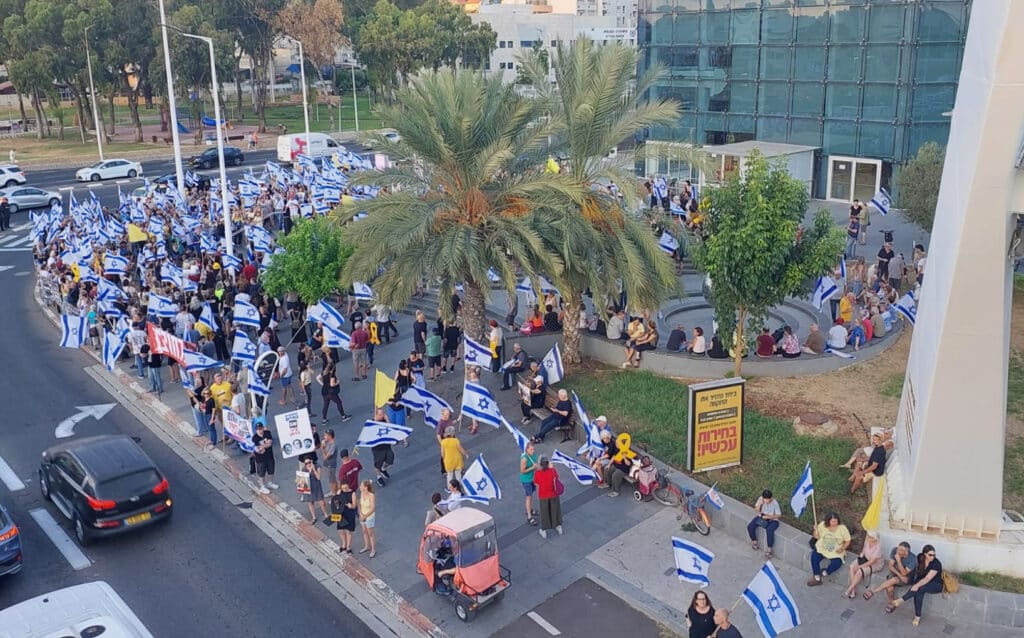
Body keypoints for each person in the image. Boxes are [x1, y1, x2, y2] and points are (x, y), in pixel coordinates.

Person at [885, 544, 943, 626]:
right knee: (918, 591)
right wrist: (915, 583)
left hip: (936, 584)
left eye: (934, 555)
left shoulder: (936, 564)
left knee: (920, 587)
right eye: (930, 555)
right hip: (923, 581)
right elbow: (918, 572)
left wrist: (917, 585)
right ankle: (917, 616)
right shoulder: (920, 557)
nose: (932, 557)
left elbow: (927, 579)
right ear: (925, 554)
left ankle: (900, 600)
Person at [807, 512, 851, 586]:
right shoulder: (822, 525)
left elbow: (848, 541)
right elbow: (816, 537)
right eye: (833, 521)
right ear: (828, 521)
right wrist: (815, 530)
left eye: (836, 521)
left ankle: (825, 572)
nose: (835, 523)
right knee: (814, 557)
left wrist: (842, 548)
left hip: (835, 549)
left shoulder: (842, 528)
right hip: (822, 547)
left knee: (837, 563)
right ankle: (817, 577)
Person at [844, 529, 883, 598]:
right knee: (852, 566)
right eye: (868, 536)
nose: (867, 537)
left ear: (874, 538)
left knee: (859, 571)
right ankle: (853, 590)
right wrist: (861, 555)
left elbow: (872, 562)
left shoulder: (878, 547)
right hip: (865, 558)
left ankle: (850, 589)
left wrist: (860, 566)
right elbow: (864, 550)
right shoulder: (867, 541)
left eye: (870, 537)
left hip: (875, 565)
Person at [532, 456, 563, 538]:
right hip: (553, 494)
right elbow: (557, 478)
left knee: (544, 512)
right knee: (555, 510)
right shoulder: (552, 471)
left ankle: (544, 530)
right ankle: (558, 526)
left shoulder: (538, 473)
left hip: (543, 495)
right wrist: (552, 468)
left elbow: (536, 483)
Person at [747, 489, 782, 558]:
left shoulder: (775, 503)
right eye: (764, 499)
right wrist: (760, 504)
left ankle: (769, 550)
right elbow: (756, 510)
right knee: (750, 526)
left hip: (773, 520)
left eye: (767, 499)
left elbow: (779, 515)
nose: (766, 501)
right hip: (763, 518)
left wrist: (769, 517)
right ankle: (755, 542)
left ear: (771, 498)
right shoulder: (761, 499)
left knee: (769, 530)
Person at [299, 458, 330, 525]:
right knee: (310, 503)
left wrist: (313, 469)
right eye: (306, 463)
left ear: (312, 461)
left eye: (309, 462)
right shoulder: (304, 469)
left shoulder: (317, 466)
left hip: (316, 487)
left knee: (322, 502)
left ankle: (326, 514)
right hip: (308, 488)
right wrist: (309, 472)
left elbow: (318, 477)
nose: (308, 464)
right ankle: (314, 517)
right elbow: (302, 482)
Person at [251, 421, 277, 494]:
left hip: (269, 456)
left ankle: (270, 483)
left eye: (261, 428)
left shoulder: (267, 433)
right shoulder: (254, 438)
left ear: (263, 428)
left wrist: (262, 447)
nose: (260, 430)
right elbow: (258, 450)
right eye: (258, 429)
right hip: (260, 459)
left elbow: (270, 443)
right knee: (261, 473)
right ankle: (262, 486)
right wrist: (265, 446)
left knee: (271, 470)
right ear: (256, 430)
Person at [333, 480, 358, 554]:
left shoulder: (352, 493)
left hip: (349, 514)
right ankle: (343, 544)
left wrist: (350, 505)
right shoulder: (339, 492)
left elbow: (354, 506)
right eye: (343, 488)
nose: (344, 489)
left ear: (348, 486)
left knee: (348, 531)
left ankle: (348, 547)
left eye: (346, 488)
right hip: (340, 513)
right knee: (340, 530)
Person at [520, 441, 539, 526]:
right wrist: (532, 468)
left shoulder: (533, 456)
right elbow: (522, 471)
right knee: (529, 496)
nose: (533, 451)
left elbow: (536, 465)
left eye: (533, 449)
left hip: (532, 479)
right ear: (527, 449)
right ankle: (529, 516)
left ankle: (530, 509)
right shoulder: (524, 459)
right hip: (526, 480)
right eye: (531, 449)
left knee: (531, 495)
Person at [357, 479, 377, 558]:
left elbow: (372, 508)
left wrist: (365, 516)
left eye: (361, 486)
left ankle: (373, 549)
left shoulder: (371, 495)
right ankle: (366, 546)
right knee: (364, 531)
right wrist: (360, 513)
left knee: (370, 533)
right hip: (362, 515)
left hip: (369, 517)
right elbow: (359, 504)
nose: (360, 487)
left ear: (365, 487)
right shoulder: (362, 493)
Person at [321, 429, 339, 494]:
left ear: (330, 436)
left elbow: (325, 457)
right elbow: (323, 450)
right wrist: (322, 446)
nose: (324, 437)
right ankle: (334, 491)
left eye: (325, 435)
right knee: (331, 479)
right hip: (327, 465)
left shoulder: (333, 446)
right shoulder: (327, 443)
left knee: (332, 481)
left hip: (331, 465)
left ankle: (334, 494)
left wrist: (323, 449)